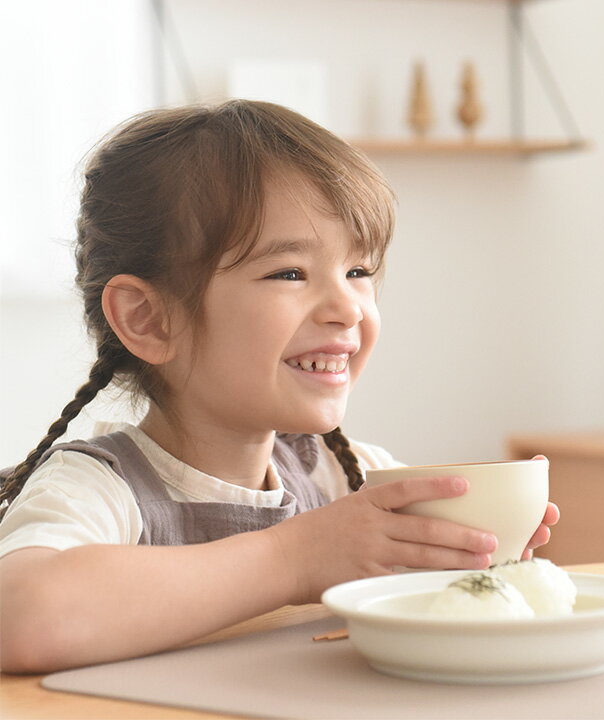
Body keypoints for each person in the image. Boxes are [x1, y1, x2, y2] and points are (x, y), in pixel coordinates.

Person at [0, 100, 559, 673]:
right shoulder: (96, 489)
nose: (347, 308)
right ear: (149, 319)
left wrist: (472, 563)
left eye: (359, 272)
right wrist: (295, 558)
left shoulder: (347, 477)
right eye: (288, 272)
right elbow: (23, 617)